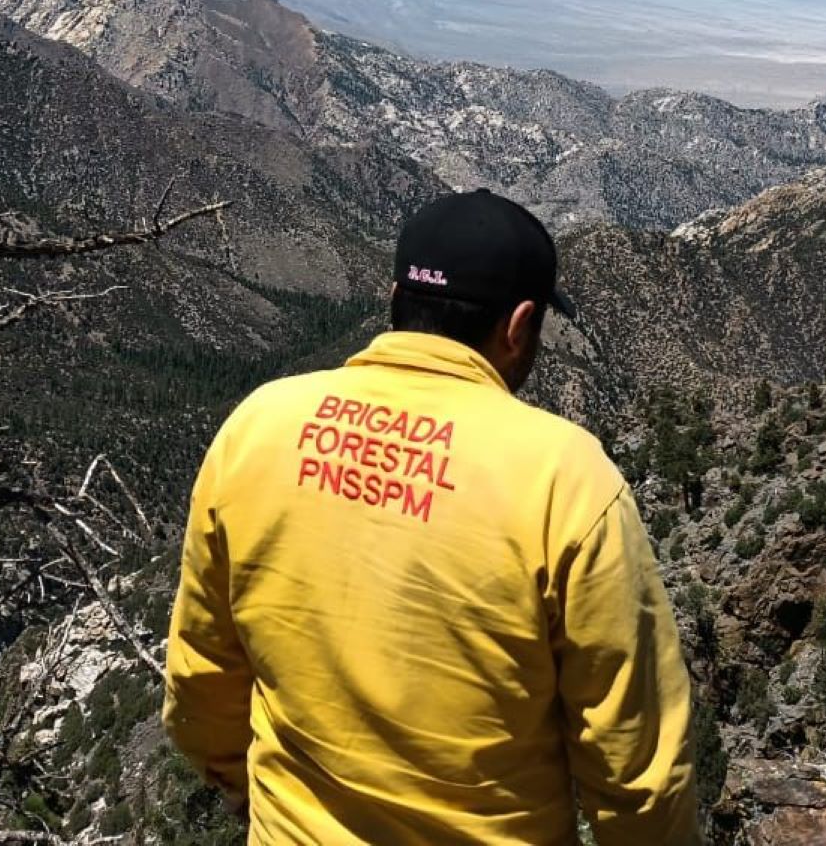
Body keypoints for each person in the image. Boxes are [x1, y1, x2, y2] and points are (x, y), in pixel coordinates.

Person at [163, 188, 700, 844]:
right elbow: (635, 768)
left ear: (395, 300)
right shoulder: (565, 478)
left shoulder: (259, 426)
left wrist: (248, 791)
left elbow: (201, 683)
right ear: (519, 326)